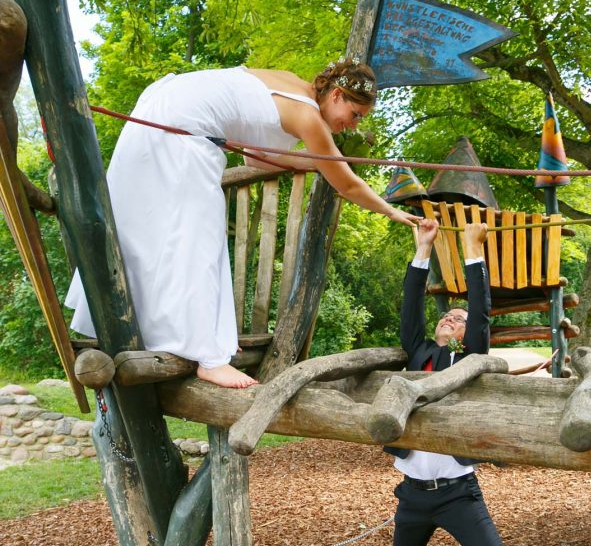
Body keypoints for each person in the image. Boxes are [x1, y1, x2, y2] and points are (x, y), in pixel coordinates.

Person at [65, 59, 419, 388]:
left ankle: (194, 337)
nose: (353, 124)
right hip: (182, 128)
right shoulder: (308, 116)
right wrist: (392, 212)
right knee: (199, 238)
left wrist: (316, 164)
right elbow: (347, 183)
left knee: (156, 228)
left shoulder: (293, 85)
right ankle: (207, 356)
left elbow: (256, 156)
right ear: (337, 95)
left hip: (162, 108)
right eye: (355, 114)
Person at [387, 218, 586, 546]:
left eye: (457, 319)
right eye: (446, 315)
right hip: (413, 494)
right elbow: (410, 305)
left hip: (459, 494)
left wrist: (474, 251)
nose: (450, 318)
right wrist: (423, 249)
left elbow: (479, 310)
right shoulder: (417, 352)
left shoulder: (472, 358)